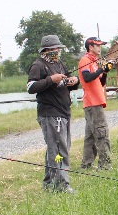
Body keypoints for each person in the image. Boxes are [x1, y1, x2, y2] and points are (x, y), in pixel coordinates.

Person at [26, 34, 79, 192]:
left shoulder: (59, 64)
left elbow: (66, 82)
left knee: (56, 148)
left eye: (59, 49)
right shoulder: (38, 65)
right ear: (47, 49)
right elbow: (30, 87)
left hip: (63, 112)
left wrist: (74, 81)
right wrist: (51, 79)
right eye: (55, 49)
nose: (58, 51)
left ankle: (49, 183)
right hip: (50, 113)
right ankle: (61, 185)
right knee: (58, 149)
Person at [78, 37, 113, 170]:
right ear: (90, 47)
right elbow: (87, 78)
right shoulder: (85, 60)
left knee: (90, 136)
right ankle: (105, 166)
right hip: (93, 103)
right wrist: (100, 70)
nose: (100, 48)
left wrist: (104, 72)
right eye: (97, 45)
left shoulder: (93, 62)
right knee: (101, 133)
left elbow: (100, 82)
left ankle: (86, 164)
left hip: (94, 102)